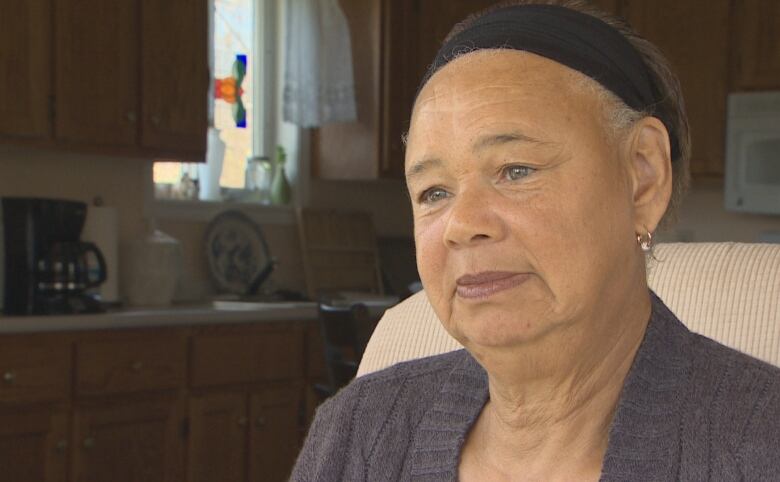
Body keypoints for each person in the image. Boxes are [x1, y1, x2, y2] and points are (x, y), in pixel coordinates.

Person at [291, 1, 780, 480]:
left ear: (642, 176)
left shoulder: (761, 445)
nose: (462, 224)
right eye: (434, 192)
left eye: (516, 170)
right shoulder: (356, 434)